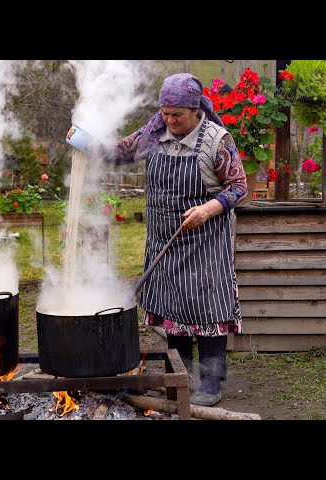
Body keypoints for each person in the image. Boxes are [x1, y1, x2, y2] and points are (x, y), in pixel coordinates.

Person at [105, 73, 247, 407]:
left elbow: (239, 187)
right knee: (173, 309)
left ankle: (211, 382)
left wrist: (208, 209)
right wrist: (85, 143)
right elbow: (119, 153)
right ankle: (178, 380)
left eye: (177, 115)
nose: (169, 120)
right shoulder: (155, 132)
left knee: (208, 310)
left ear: (196, 109)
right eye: (165, 113)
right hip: (163, 240)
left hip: (205, 240)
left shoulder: (216, 139)